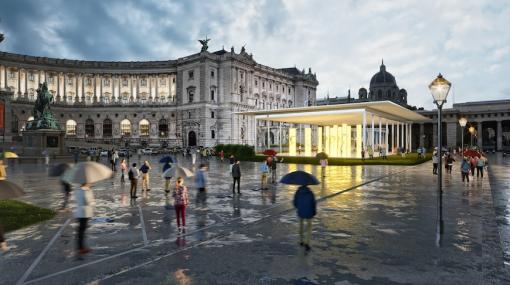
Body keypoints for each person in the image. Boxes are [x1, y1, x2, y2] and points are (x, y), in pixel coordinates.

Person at [74, 183, 96, 257]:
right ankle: (81, 248)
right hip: (84, 213)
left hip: (80, 212)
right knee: (82, 231)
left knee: (81, 230)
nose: (90, 184)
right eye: (88, 183)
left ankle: (81, 247)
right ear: (85, 184)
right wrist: (93, 200)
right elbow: (88, 202)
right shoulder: (85, 191)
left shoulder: (78, 190)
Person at [293, 185, 316, 251]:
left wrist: (298, 207)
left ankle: (301, 241)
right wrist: (314, 212)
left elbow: (295, 202)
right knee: (309, 227)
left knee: (301, 226)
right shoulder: (310, 192)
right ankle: (307, 242)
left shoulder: (298, 192)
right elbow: (313, 203)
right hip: (309, 212)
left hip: (301, 211)